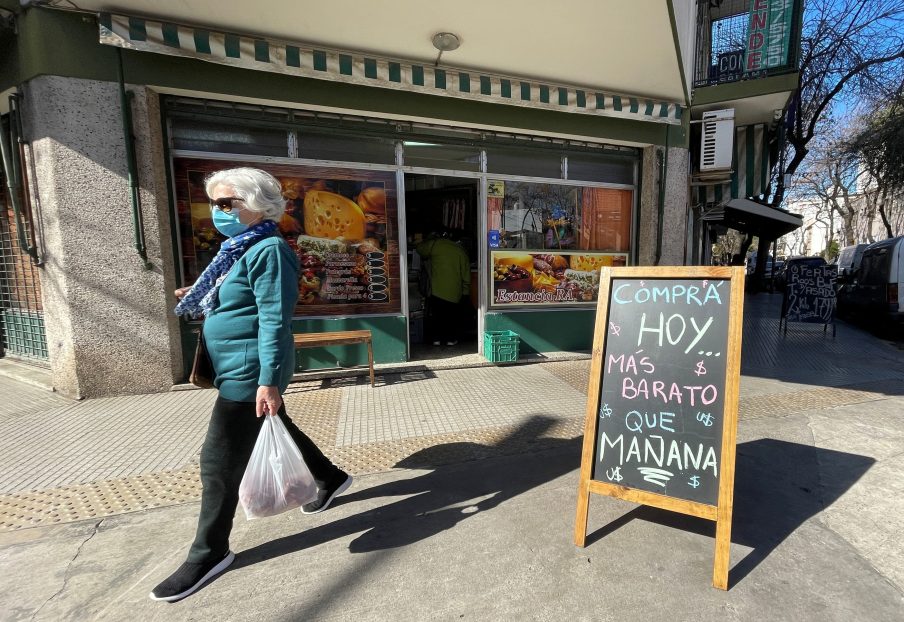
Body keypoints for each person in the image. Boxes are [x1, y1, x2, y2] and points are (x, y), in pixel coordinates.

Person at [150, 168, 352, 602]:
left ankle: (208, 553)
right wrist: (208, 294)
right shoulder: (238, 249)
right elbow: (244, 297)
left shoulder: (270, 250)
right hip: (231, 365)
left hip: (248, 371)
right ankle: (330, 478)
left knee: (217, 462)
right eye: (215, 204)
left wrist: (268, 382)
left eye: (227, 204)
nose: (217, 212)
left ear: (258, 204)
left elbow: (275, 321)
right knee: (275, 427)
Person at [416, 229, 470, 346]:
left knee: (436, 315)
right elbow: (466, 274)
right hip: (455, 291)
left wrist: (429, 239)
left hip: (436, 289)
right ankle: (450, 339)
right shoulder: (460, 250)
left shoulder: (434, 245)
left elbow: (419, 249)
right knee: (451, 316)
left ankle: (436, 339)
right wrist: (465, 291)